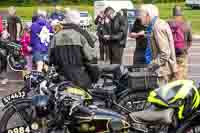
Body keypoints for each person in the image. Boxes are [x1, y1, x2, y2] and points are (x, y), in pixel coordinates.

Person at [49, 9, 97, 89]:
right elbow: (92, 59)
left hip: (62, 80)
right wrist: (94, 77)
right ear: (78, 20)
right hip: (82, 78)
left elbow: (50, 59)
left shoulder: (56, 36)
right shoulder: (83, 34)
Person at [138, 4, 177, 85]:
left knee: (161, 96)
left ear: (148, 15)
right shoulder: (155, 25)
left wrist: (152, 64)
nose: (139, 17)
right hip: (160, 70)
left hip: (162, 72)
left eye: (141, 15)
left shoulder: (157, 27)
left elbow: (165, 54)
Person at [168, 6, 192, 80]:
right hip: (182, 54)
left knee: (171, 74)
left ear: (173, 13)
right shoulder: (186, 24)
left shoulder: (168, 24)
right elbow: (189, 40)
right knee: (182, 75)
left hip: (171, 54)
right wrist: (185, 49)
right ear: (182, 13)